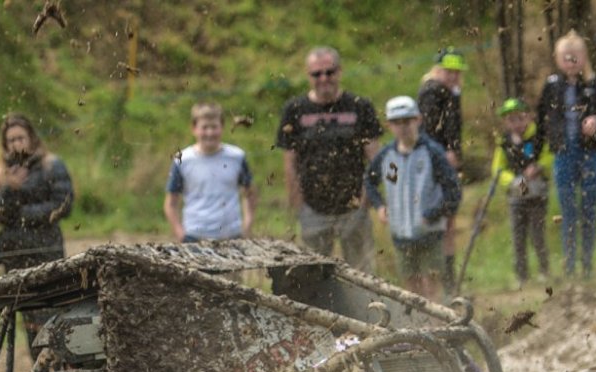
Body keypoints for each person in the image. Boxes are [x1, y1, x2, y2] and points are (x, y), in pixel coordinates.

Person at [276, 46, 383, 271]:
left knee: (362, 273)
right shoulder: (294, 110)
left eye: (329, 72)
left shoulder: (360, 106)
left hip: (354, 205)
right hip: (312, 208)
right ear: (309, 76)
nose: (324, 78)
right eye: (317, 74)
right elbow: (289, 163)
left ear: (339, 72)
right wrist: (298, 204)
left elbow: (375, 159)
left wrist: (366, 199)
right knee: (313, 274)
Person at [365, 96, 461, 300]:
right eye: (397, 122)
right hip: (400, 233)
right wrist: (380, 206)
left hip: (430, 231)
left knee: (431, 284)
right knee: (410, 285)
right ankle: (416, 319)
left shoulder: (432, 152)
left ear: (417, 120)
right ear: (389, 125)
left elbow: (453, 190)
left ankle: (436, 317)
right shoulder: (386, 155)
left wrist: (434, 213)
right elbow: (370, 181)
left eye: (407, 121)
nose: (403, 128)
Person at [534, 32, 596, 278]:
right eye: (566, 58)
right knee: (567, 210)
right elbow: (541, 120)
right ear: (557, 59)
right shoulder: (552, 86)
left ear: (584, 58)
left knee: (589, 208)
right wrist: (532, 156)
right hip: (564, 153)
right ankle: (569, 265)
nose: (571, 62)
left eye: (575, 57)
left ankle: (586, 263)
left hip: (590, 153)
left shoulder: (593, 84)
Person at [0, 114, 74, 272]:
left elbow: (63, 205)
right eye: (11, 140)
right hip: (13, 253)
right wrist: (9, 188)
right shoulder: (0, 174)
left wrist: (22, 214)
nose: (16, 144)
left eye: (20, 138)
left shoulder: (51, 165)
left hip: (45, 249)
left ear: (31, 138)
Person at [164, 102, 257, 242]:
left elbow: (249, 194)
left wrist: (247, 225)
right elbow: (171, 202)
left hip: (232, 237)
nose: (210, 133)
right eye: (205, 127)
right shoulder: (182, 159)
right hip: (194, 238)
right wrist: (180, 234)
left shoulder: (237, 156)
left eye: (214, 127)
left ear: (222, 127)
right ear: (194, 128)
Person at [418, 48, 466, 290]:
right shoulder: (432, 92)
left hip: (446, 162)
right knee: (439, 221)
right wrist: (444, 153)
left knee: (448, 221)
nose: (453, 76)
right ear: (438, 70)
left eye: (456, 72)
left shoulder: (450, 92)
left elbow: (453, 128)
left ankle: (447, 280)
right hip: (435, 164)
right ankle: (440, 280)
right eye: (449, 71)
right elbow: (430, 129)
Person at [492, 98, 552, 287]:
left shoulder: (539, 137)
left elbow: (550, 156)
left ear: (528, 117)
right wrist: (512, 181)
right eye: (511, 120)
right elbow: (497, 169)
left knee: (537, 234)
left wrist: (539, 167)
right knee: (518, 237)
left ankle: (544, 270)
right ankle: (521, 275)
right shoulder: (504, 142)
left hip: (537, 193)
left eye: (519, 118)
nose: (516, 123)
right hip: (516, 194)